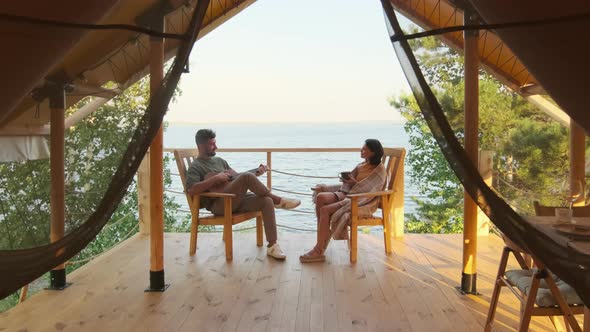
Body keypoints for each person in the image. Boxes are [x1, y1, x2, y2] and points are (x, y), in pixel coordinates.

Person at [185, 129, 301, 260]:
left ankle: (272, 246)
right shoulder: (196, 167)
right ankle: (279, 201)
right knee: (248, 178)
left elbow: (237, 178)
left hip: (234, 199)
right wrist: (215, 179)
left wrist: (257, 172)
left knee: (266, 201)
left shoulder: (220, 161)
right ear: (201, 146)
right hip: (219, 205)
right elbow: (191, 190)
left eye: (215, 143)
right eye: (212, 144)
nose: (216, 147)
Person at [300, 139, 386, 263]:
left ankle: (318, 250)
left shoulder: (379, 170)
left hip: (359, 200)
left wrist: (353, 183)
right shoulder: (361, 165)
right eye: (362, 148)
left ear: (373, 152)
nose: (361, 150)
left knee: (325, 210)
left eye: (364, 149)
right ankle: (323, 237)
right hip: (347, 193)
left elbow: (370, 190)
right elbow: (352, 184)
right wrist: (345, 182)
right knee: (320, 197)